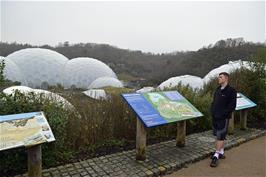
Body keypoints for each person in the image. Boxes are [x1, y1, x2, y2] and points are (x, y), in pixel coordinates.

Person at [210, 72, 237, 167]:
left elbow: (232, 106)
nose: (219, 79)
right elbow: (214, 102)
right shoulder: (218, 89)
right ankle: (221, 152)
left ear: (226, 78)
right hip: (215, 117)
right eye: (219, 77)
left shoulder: (231, 91)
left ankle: (216, 156)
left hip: (223, 118)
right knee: (218, 135)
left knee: (220, 136)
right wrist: (212, 111)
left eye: (220, 77)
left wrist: (223, 114)